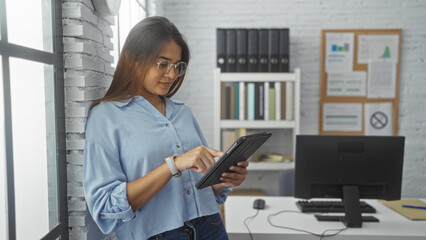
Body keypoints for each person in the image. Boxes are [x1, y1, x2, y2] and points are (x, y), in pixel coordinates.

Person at [83, 16, 249, 240]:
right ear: (133, 59)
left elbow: (197, 187)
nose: (171, 74)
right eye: (162, 64)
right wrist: (173, 165)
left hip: (211, 227)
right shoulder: (105, 116)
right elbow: (105, 206)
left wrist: (223, 181)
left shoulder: (183, 113)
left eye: (177, 66)